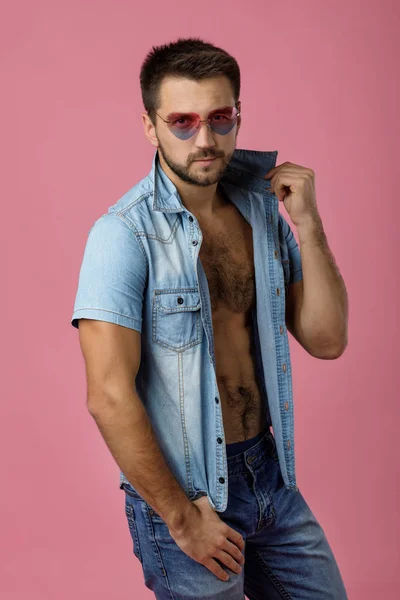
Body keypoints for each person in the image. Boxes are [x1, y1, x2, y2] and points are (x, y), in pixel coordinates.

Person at [71, 37, 349, 599]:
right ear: (150, 126)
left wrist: (309, 225)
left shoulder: (260, 211)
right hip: (188, 493)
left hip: (270, 473)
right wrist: (179, 516)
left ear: (237, 116)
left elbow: (326, 339)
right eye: (182, 122)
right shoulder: (122, 235)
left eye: (220, 119)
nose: (205, 140)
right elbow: (107, 393)